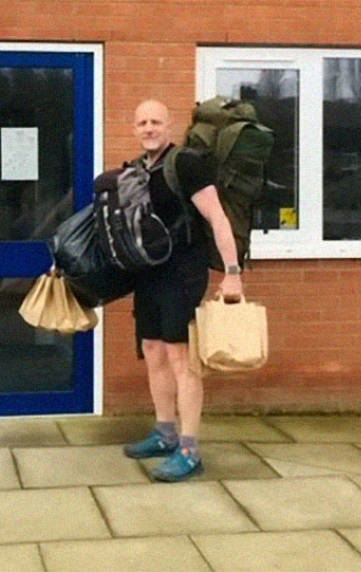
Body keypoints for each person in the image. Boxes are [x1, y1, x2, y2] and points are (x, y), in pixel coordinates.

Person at [115, 99, 243, 481]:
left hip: (184, 274)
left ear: (169, 126)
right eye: (142, 122)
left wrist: (232, 272)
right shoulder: (137, 170)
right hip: (150, 275)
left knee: (181, 359)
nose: (149, 128)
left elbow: (218, 217)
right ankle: (164, 432)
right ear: (134, 128)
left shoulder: (185, 164)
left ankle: (189, 450)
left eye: (156, 121)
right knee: (153, 351)